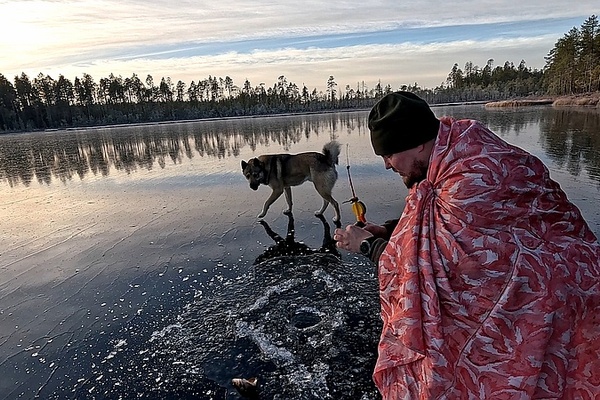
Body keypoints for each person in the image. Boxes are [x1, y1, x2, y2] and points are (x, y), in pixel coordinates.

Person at [334, 91, 600, 399]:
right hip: (573, 283)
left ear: (418, 142)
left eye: (389, 154)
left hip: (551, 304)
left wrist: (369, 246)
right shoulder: (466, 147)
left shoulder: (469, 183)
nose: (386, 165)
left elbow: (439, 273)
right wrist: (393, 232)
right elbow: (453, 230)